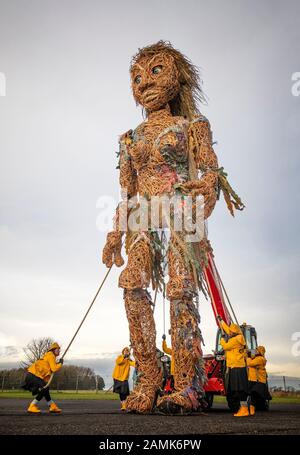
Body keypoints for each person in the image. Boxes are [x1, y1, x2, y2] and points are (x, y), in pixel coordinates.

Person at [102, 41, 244, 414]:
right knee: (132, 282)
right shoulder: (129, 139)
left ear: (177, 76)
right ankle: (148, 379)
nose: (144, 82)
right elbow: (127, 193)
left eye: (155, 71)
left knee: (181, 287)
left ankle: (187, 385)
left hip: (183, 209)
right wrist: (115, 233)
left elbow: (211, 169)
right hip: (142, 216)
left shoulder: (193, 126)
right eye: (136, 77)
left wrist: (209, 187)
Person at [218, 318, 253, 417]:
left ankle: (244, 409)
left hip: (236, 367)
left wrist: (222, 339)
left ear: (234, 332)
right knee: (239, 389)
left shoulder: (235, 340)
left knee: (240, 389)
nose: (229, 333)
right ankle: (246, 408)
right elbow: (229, 330)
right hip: (237, 366)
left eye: (230, 332)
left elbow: (225, 346)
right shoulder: (238, 337)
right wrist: (221, 321)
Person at [23, 342, 63, 414]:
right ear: (53, 349)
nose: (59, 351)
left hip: (32, 375)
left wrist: (58, 364)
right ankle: (32, 406)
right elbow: (54, 369)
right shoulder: (51, 355)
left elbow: (51, 368)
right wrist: (60, 364)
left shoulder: (49, 356)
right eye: (58, 349)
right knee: (45, 388)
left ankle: (52, 406)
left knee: (45, 389)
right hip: (33, 375)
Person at [247, 345, 271, 410]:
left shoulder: (260, 359)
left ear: (260, 351)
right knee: (254, 394)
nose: (255, 351)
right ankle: (254, 407)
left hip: (259, 380)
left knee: (255, 394)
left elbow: (250, 363)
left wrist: (248, 357)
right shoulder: (257, 358)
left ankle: (253, 408)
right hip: (255, 379)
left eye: (257, 350)